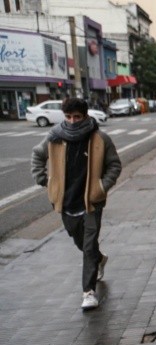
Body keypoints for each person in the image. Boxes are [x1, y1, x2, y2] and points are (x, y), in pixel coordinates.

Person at [31, 98, 122, 310]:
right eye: (68, 117)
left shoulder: (100, 138)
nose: (72, 121)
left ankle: (88, 292)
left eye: (77, 117)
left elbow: (114, 165)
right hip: (66, 203)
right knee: (80, 242)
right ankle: (99, 259)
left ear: (85, 116)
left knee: (88, 245)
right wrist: (45, 181)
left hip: (91, 202)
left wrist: (101, 187)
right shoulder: (55, 137)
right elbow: (37, 155)